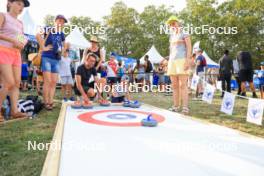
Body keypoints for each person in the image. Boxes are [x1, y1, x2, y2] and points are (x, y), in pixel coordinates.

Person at [0, 0, 30, 122]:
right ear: (9, 3)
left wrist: (23, 42)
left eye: (23, 5)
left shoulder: (20, 23)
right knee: (9, 83)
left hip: (16, 54)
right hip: (3, 51)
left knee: (17, 83)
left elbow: (21, 37)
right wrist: (13, 41)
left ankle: (14, 111)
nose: (21, 7)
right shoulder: (3, 15)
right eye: (18, 3)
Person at [36, 14, 67, 110]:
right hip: (47, 57)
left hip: (56, 59)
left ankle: (50, 101)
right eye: (59, 20)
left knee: (53, 82)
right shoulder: (48, 28)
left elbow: (63, 45)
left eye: (63, 22)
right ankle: (46, 102)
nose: (61, 23)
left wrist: (62, 52)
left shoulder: (61, 34)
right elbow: (37, 35)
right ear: (55, 21)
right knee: (47, 81)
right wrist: (43, 47)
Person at [166, 16, 192, 114]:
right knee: (175, 85)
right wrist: (168, 62)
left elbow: (189, 47)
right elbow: (171, 50)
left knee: (183, 85)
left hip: (182, 60)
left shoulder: (184, 32)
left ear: (178, 23)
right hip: (172, 61)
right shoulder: (171, 36)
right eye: (170, 24)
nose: (172, 25)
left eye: (173, 23)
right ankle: (176, 106)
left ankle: (185, 107)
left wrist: (187, 61)